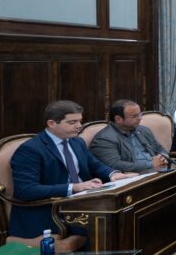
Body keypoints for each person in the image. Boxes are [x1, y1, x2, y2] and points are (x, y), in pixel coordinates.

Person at [9, 100, 133, 239]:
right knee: (111, 223)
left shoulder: (76, 141)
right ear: (51, 123)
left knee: (126, 214)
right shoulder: (30, 150)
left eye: (80, 121)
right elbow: (26, 190)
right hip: (52, 211)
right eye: (72, 122)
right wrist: (74, 187)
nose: (79, 126)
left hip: (83, 201)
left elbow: (94, 164)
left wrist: (113, 174)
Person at [90, 99, 169, 173]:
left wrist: (163, 157)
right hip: (133, 176)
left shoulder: (143, 130)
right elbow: (114, 164)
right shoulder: (104, 139)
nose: (140, 118)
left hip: (157, 170)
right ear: (118, 119)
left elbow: (159, 148)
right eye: (134, 116)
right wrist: (150, 164)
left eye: (139, 114)